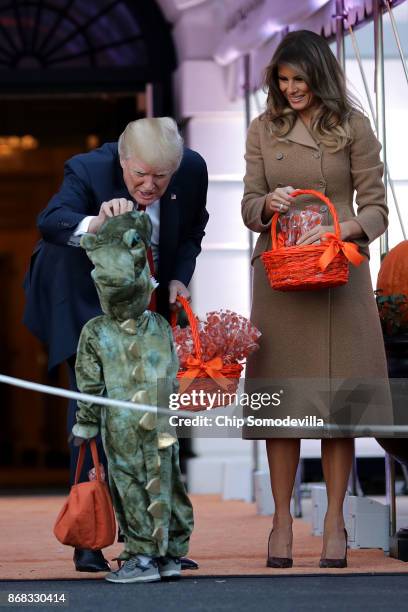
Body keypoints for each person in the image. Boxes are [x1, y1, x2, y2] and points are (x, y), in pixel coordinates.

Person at [23, 117, 208, 571]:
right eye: (140, 174)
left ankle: (150, 540)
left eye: (161, 177)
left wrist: (180, 278)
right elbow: (51, 221)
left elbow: (190, 233)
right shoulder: (88, 169)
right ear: (123, 161)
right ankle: (89, 538)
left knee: (151, 415)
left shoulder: (192, 170)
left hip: (145, 297)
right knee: (95, 406)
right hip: (80, 294)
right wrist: (97, 221)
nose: (150, 185)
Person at [241, 30, 390, 569]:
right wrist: (268, 203)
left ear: (318, 75)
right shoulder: (264, 127)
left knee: (338, 406)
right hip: (280, 278)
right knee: (278, 406)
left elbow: (376, 211)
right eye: (282, 80)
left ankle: (333, 524)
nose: (290, 88)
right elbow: (247, 203)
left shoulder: (353, 126)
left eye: (298, 78)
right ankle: (281, 524)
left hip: (336, 279)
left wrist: (337, 230)